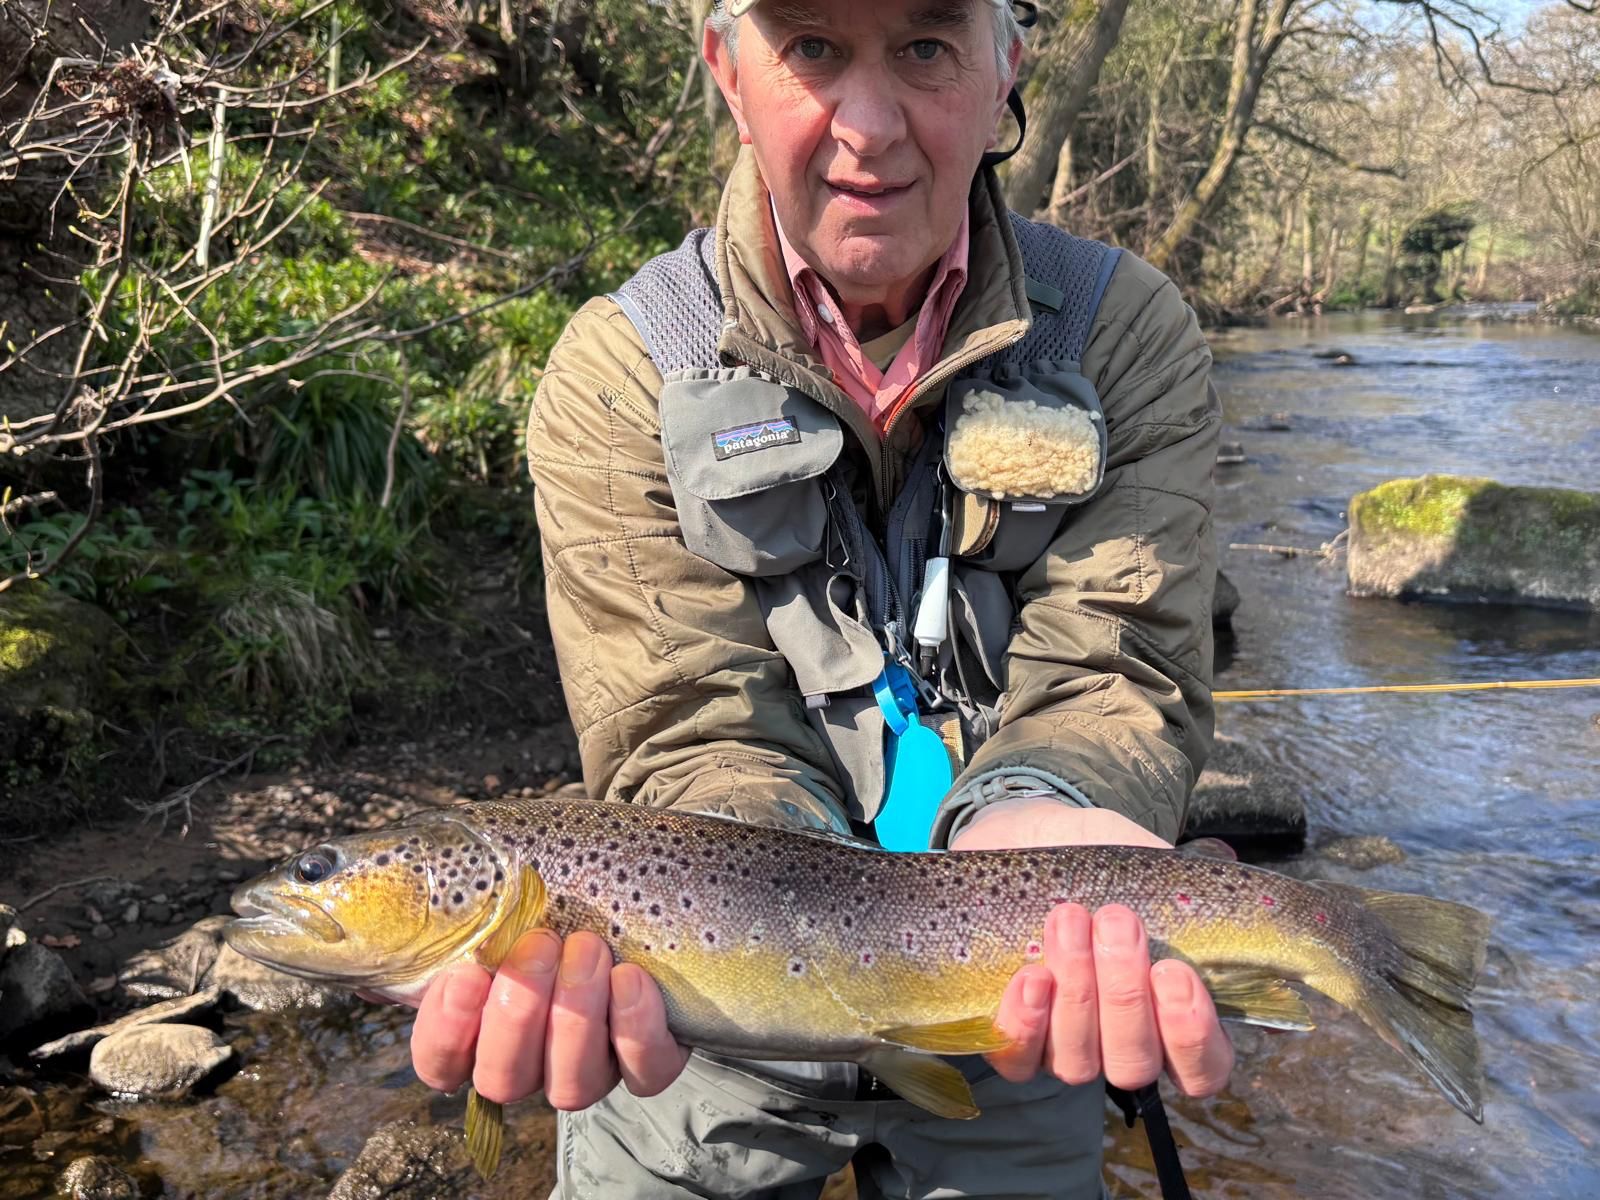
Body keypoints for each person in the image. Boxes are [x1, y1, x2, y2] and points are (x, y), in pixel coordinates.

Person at [400, 1, 1229, 1195]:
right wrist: (758, 913)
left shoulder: (1121, 334)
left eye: (927, 48)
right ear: (727, 71)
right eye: (813, 50)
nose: (869, 125)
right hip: (704, 1018)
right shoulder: (624, 368)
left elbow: (1114, 673)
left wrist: (1058, 816)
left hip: (1016, 996)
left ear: (1007, 67)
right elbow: (684, 725)